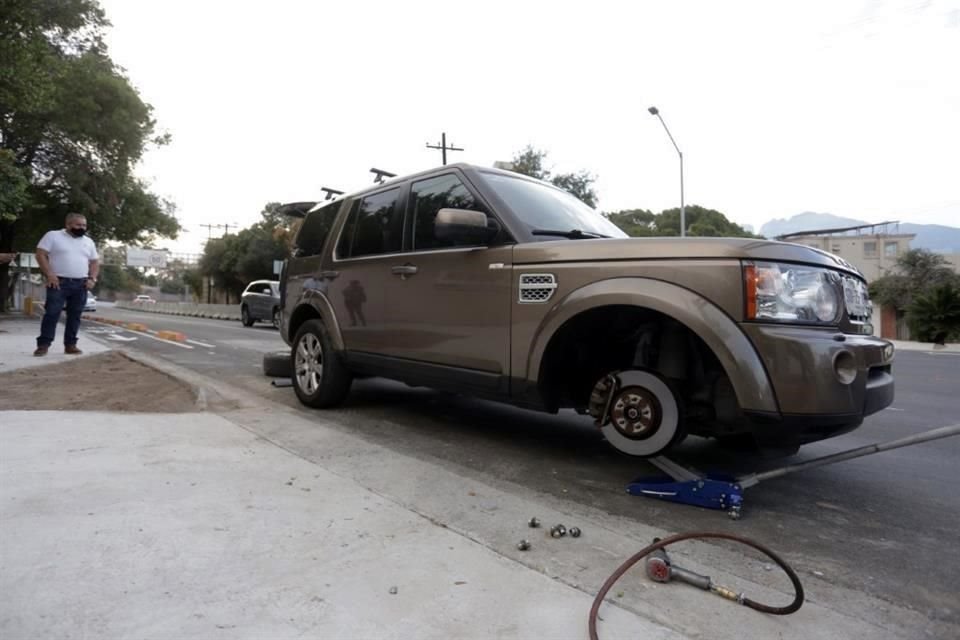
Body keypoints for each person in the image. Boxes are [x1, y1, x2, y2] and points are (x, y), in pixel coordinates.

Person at [34, 213, 99, 356]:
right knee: (52, 313)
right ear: (68, 224)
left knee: (75, 315)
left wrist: (92, 279)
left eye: (84, 225)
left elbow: (94, 262)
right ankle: (43, 345)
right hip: (58, 282)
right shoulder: (53, 236)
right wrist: (50, 274)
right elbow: (40, 254)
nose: (82, 228)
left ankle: (70, 345)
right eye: (78, 225)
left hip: (81, 284)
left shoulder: (88, 242)